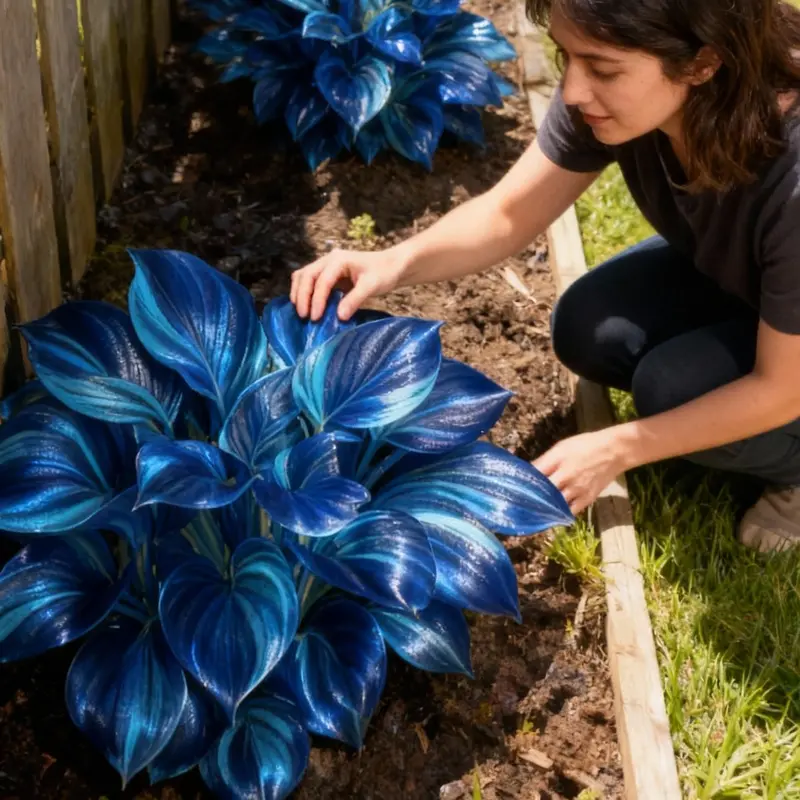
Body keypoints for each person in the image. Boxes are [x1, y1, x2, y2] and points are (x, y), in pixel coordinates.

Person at [289, 0, 800, 552]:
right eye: (565, 56)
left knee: (672, 388)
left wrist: (620, 447)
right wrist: (392, 263)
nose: (575, 91)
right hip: (763, 288)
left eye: (602, 69)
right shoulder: (630, 94)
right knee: (591, 327)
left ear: (704, 62)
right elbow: (509, 214)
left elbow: (781, 387)